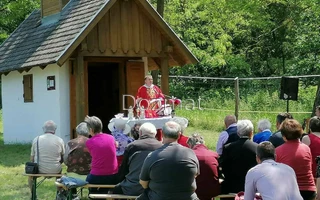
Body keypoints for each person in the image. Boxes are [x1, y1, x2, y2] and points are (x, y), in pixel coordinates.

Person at [137, 121, 199, 200]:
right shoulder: (191, 154)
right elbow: (195, 175)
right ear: (179, 135)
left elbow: (143, 183)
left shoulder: (152, 156)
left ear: (162, 134)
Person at [113, 122, 162, 196]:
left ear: (140, 133)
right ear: (155, 134)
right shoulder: (162, 147)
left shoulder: (132, 146)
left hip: (132, 188)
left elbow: (124, 170)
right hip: (155, 189)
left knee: (115, 190)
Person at [276, 119, 316, 200]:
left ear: (283, 135)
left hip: (289, 190)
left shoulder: (278, 151)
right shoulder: (306, 148)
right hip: (309, 190)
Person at [219, 119, 257, 194]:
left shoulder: (228, 147)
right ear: (251, 133)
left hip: (231, 187)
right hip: (251, 188)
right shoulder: (257, 148)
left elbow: (223, 167)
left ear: (238, 133)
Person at [28, 120, 65, 193]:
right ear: (54, 130)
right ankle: (59, 193)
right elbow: (63, 157)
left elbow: (32, 158)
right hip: (55, 169)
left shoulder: (36, 139)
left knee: (30, 177)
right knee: (60, 174)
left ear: (43, 129)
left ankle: (33, 195)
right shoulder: (59, 140)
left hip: (39, 169)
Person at [85, 116, 118, 195]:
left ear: (91, 130)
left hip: (97, 176)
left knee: (89, 179)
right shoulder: (111, 138)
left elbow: (95, 155)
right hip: (113, 175)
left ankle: (93, 194)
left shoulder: (89, 142)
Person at [187, 133, 220, 200]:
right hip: (213, 190)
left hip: (195, 191)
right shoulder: (214, 154)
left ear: (190, 144)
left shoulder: (189, 155)